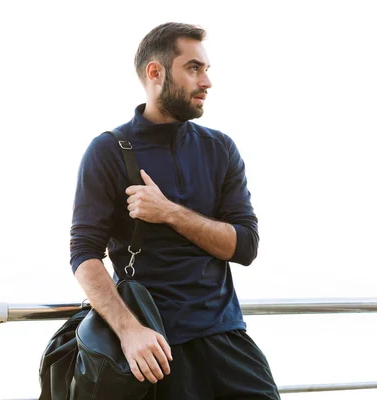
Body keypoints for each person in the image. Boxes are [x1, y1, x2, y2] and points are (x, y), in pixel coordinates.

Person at [69, 22, 280, 399]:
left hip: (227, 338)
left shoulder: (220, 149)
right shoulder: (107, 151)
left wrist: (169, 212)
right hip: (155, 348)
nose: (207, 82)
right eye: (194, 68)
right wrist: (129, 331)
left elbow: (245, 246)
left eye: (206, 69)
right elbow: (84, 254)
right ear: (156, 72)